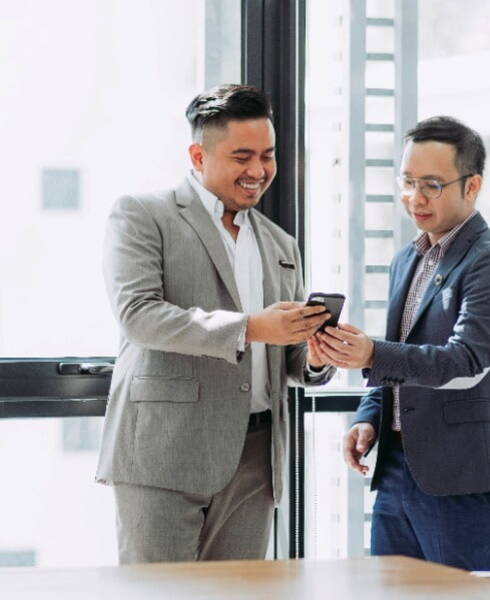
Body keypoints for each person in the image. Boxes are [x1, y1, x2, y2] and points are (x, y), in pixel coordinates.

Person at [96, 84, 335, 564]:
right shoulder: (144, 215)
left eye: (267, 155)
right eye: (241, 156)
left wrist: (312, 355)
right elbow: (139, 316)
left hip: (257, 458)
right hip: (164, 451)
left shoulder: (281, 244)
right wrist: (250, 327)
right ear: (198, 155)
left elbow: (282, 355)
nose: (258, 171)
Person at [310, 116, 490, 571]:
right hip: (395, 469)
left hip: (461, 478)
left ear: (472, 186)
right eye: (407, 182)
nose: (415, 197)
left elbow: (466, 362)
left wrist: (370, 353)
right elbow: (400, 353)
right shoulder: (407, 258)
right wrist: (370, 416)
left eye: (431, 184)